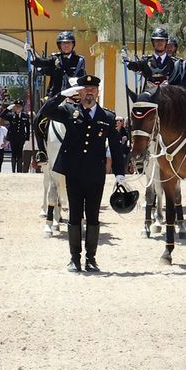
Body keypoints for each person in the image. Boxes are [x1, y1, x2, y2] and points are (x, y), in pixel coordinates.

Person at [40, 74, 129, 273]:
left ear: (98, 92)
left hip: (96, 174)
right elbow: (46, 111)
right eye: (85, 90)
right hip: (73, 173)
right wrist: (63, 94)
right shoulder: (69, 111)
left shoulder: (108, 117)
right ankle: (74, 259)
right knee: (74, 215)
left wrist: (120, 174)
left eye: (93, 90)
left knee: (93, 216)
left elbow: (115, 147)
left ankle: (91, 259)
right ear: (79, 93)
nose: (89, 93)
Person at [31, 31, 86, 162]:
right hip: (54, 97)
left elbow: (82, 75)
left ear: (73, 44)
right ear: (59, 45)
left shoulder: (80, 60)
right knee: (38, 120)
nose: (66, 46)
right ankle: (42, 152)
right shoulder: (54, 59)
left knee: (87, 118)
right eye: (63, 43)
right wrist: (31, 53)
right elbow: (39, 62)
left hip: (74, 97)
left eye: (68, 43)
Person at [6, 102, 30, 171]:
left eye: (19, 107)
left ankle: (19, 170)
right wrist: (8, 108)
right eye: (16, 106)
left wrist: (27, 137)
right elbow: (2, 115)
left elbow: (27, 127)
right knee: (13, 153)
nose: (18, 108)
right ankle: (13, 170)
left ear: (22, 108)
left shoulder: (25, 116)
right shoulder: (11, 115)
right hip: (13, 137)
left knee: (20, 154)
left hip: (21, 137)